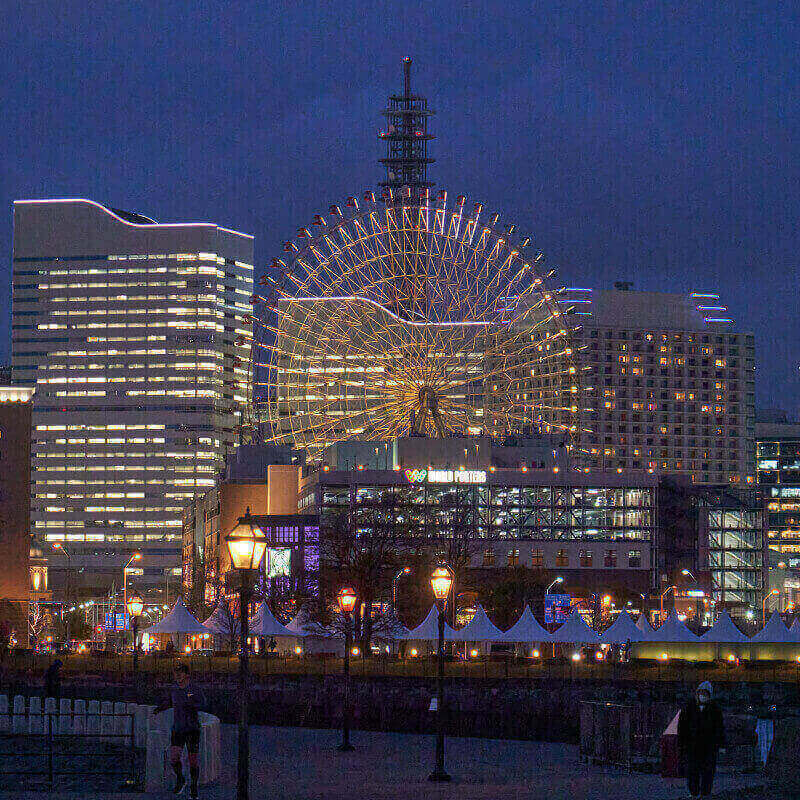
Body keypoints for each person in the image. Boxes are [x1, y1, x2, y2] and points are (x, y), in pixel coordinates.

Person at [155, 663, 205, 799]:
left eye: (180, 673)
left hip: (192, 729)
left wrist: (192, 705)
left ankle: (194, 786)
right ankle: (181, 779)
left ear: (187, 675)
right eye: (175, 673)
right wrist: (161, 708)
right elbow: (171, 702)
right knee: (173, 757)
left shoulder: (194, 689)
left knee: (193, 760)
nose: (177, 675)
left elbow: (203, 703)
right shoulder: (175, 690)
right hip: (178, 728)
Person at [677, 680, 726, 798]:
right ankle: (693, 793)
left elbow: (719, 727)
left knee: (708, 771)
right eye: (701, 693)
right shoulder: (689, 707)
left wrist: (721, 745)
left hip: (709, 747)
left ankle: (705, 793)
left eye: (705, 694)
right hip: (692, 746)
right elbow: (682, 726)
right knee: (692, 771)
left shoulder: (715, 709)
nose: (703, 696)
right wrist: (682, 743)